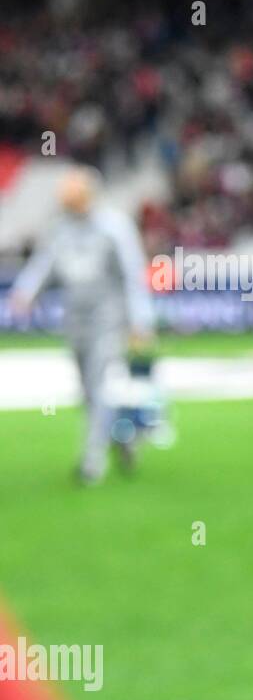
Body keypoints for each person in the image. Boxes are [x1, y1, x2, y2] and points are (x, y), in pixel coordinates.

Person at [7, 168, 156, 484]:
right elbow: (44, 266)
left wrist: (140, 320)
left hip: (108, 318)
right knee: (87, 390)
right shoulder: (59, 229)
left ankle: (92, 462)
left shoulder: (115, 227)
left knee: (99, 383)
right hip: (75, 320)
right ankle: (121, 436)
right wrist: (25, 294)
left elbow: (132, 275)